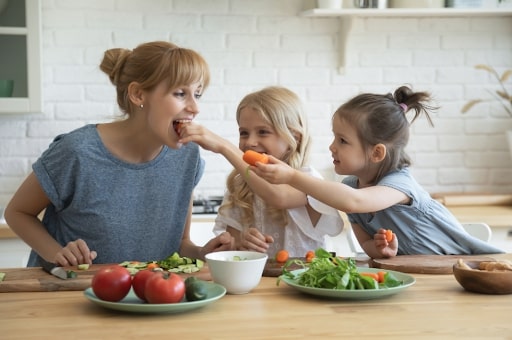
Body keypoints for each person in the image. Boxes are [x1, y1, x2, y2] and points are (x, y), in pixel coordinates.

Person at [4, 41, 234, 267]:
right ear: (138, 94)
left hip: (147, 299)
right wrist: (57, 253)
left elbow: (180, 243)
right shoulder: (77, 152)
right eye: (181, 93)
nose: (195, 107)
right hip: (71, 294)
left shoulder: (187, 156)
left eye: (198, 94)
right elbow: (17, 213)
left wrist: (203, 252)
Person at [251, 85, 504, 258]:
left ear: (376, 153)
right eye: (334, 138)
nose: (332, 147)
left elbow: (354, 202)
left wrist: (292, 176)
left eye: (343, 141)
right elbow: (367, 245)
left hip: (468, 267)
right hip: (419, 276)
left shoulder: (399, 184)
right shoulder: (350, 187)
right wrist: (382, 249)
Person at [178, 86, 344, 258]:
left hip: (303, 281)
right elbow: (231, 247)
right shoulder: (240, 186)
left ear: (294, 136)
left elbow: (279, 196)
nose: (250, 142)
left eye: (263, 132)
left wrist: (224, 147)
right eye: (244, 133)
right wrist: (241, 243)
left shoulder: (307, 179)